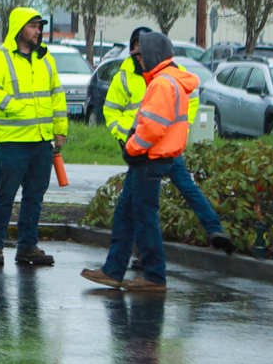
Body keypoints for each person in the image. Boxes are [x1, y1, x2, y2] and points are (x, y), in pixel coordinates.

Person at [84, 30, 198, 292]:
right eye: (136, 55)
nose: (139, 60)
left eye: (142, 55)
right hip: (151, 157)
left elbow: (152, 128)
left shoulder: (160, 83)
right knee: (126, 214)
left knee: (144, 218)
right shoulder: (167, 80)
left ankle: (154, 276)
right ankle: (113, 271)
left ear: (154, 54)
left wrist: (131, 148)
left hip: (148, 158)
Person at [104, 29, 235, 253]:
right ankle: (211, 229)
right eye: (135, 50)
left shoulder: (165, 77)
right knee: (140, 206)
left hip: (150, 149)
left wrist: (140, 142)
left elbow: (187, 106)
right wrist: (125, 138)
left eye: (142, 50)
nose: (139, 55)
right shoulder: (126, 75)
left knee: (140, 209)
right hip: (143, 147)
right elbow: (112, 111)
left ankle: (144, 264)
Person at [0, 8, 68, 267]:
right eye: (33, 26)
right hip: (13, 140)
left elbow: (56, 95)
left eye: (40, 27)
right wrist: (16, 106)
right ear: (19, 28)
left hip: (42, 141)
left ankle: (27, 247)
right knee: (4, 196)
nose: (38, 31)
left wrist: (60, 129)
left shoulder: (45, 60)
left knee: (34, 196)